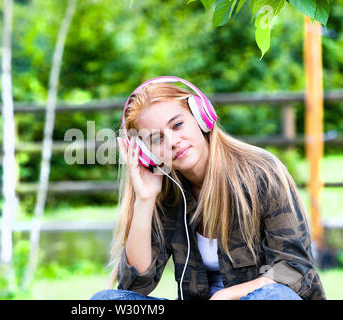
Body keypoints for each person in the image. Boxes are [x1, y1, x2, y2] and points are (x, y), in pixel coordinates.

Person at [90, 77, 326, 300]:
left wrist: (226, 295)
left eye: (178, 125)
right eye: (156, 139)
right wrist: (144, 199)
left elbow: (294, 270)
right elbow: (135, 285)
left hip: (259, 296)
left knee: (274, 297)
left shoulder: (261, 173)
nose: (172, 141)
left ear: (201, 116)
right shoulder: (165, 190)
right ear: (147, 153)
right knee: (107, 299)